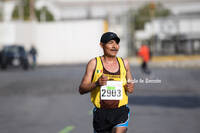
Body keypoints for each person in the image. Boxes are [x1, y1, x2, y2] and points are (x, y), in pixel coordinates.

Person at [79, 32, 134, 133]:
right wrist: (96, 83)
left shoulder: (124, 63)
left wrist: (129, 87)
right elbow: (82, 89)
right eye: (111, 43)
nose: (114, 46)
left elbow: (130, 85)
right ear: (102, 45)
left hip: (120, 111)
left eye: (117, 43)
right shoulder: (94, 63)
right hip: (101, 114)